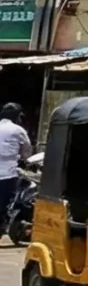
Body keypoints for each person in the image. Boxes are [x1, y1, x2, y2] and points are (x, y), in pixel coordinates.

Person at [0, 103, 30, 243]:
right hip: (7, 175)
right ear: (17, 117)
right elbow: (27, 152)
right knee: (9, 203)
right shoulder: (18, 130)